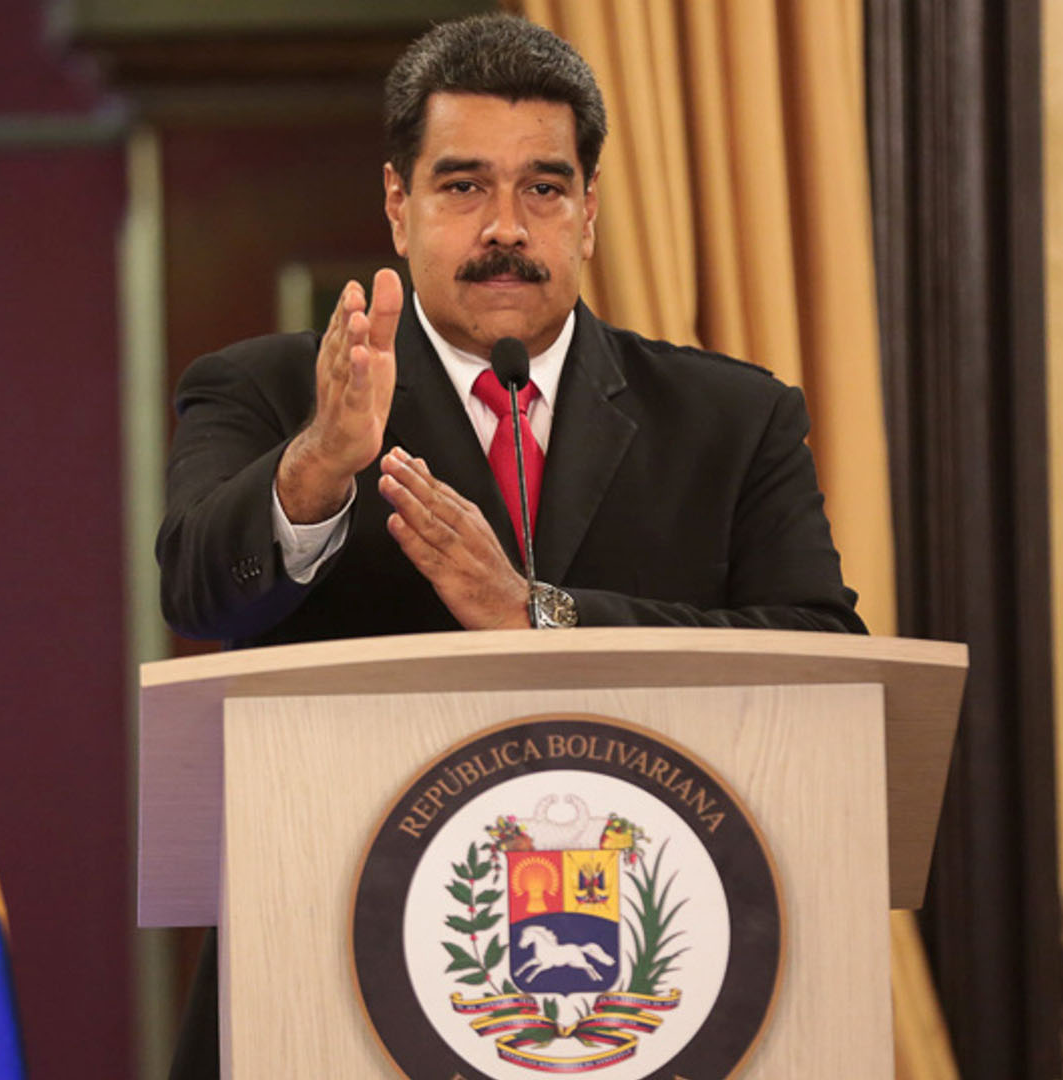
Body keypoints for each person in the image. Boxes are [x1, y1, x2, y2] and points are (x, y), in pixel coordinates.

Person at [156, 14, 865, 1077]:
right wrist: (315, 467)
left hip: (663, 999)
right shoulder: (265, 393)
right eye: (462, 186)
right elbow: (200, 592)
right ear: (399, 205)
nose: (506, 227)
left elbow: (820, 653)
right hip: (331, 987)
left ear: (589, 214)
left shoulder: (733, 419)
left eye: (543, 188)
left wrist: (540, 614)